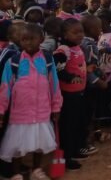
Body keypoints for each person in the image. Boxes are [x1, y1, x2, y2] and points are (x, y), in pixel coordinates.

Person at [0, 24, 62, 178]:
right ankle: (16, 174)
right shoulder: (13, 62)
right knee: (16, 146)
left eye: (31, 39)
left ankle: (36, 170)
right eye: (24, 39)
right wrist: (1, 110)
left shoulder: (47, 60)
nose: (28, 43)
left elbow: (54, 84)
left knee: (39, 144)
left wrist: (56, 106)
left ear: (41, 39)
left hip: (42, 111)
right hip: (20, 113)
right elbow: (5, 87)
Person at [52, 19, 89, 170]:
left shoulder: (77, 48)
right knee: (67, 126)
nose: (80, 34)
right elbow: (58, 69)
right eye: (75, 32)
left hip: (79, 92)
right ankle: (66, 158)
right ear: (65, 35)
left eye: (81, 31)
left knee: (77, 123)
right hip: (67, 95)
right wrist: (70, 77)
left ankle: (74, 150)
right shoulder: (63, 50)